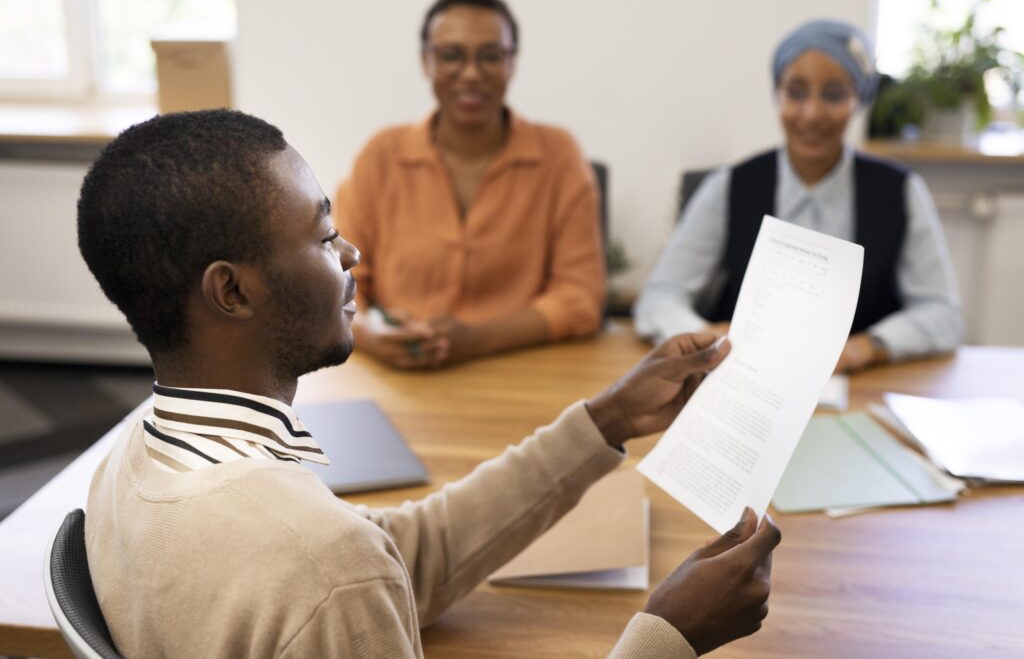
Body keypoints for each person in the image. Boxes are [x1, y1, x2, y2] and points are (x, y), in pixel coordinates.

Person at [77, 109, 780, 658]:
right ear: (230, 291)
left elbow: (396, 561)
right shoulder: (317, 564)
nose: (351, 252)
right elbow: (347, 575)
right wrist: (670, 632)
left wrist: (606, 419)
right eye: (324, 238)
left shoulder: (133, 459)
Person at [635, 20, 964, 373]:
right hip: (741, 386)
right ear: (777, 95)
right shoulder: (730, 186)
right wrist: (706, 340)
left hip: (855, 389)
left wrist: (864, 349)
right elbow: (658, 299)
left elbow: (943, 315)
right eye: (796, 92)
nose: (812, 113)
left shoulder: (899, 191)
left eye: (834, 95)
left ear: (860, 99)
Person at [335, 0, 605, 370]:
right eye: (451, 56)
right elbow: (340, 282)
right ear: (426, 62)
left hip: (521, 370)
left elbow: (580, 298)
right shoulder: (381, 155)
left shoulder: (559, 155)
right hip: (397, 375)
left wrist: (478, 340)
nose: (472, 74)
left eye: (491, 57)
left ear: (512, 63)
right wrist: (369, 334)